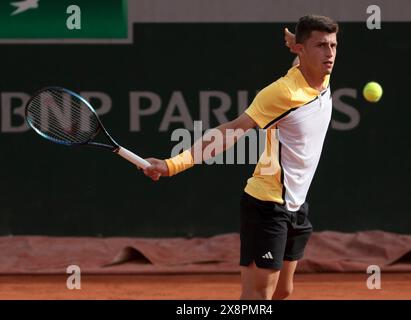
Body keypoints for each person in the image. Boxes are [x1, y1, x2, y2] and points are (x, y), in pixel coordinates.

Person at [142, 15, 339, 300]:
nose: (330, 54)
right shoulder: (281, 93)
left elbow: (299, 65)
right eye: (321, 45)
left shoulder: (320, 73)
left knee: (283, 291)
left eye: (333, 45)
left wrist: (296, 45)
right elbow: (231, 131)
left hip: (296, 204)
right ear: (301, 49)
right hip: (267, 205)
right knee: (257, 297)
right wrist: (174, 164)